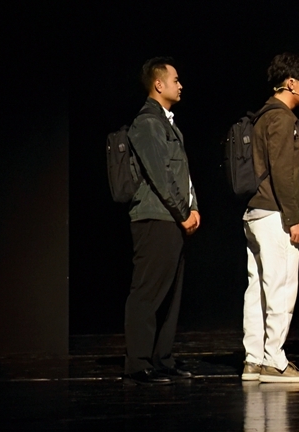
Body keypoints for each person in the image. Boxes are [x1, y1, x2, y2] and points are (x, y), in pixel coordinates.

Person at [123, 57, 200, 385]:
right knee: (148, 291)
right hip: (156, 217)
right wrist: (184, 212)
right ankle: (138, 363)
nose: (180, 85)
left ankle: (161, 359)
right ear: (159, 84)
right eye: (175, 79)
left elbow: (181, 174)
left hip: (171, 217)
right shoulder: (148, 123)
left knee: (170, 294)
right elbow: (160, 175)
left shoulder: (167, 124)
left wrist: (193, 208)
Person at [242, 53, 299, 383]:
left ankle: (254, 360)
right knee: (281, 287)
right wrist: (294, 218)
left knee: (257, 289)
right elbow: (282, 173)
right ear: (291, 83)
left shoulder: (262, 116)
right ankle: (274, 361)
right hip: (274, 213)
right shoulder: (283, 118)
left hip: (255, 212)